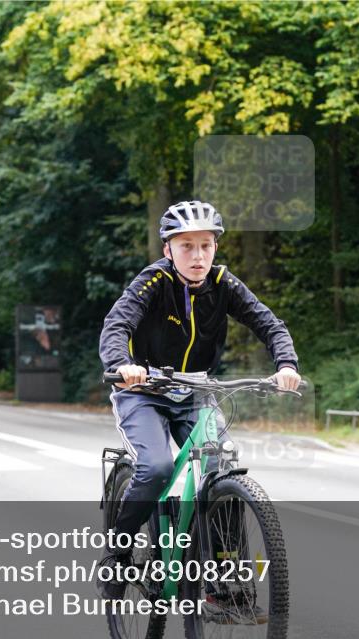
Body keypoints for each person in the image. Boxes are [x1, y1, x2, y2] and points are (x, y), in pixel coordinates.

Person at [97, 200, 301, 606]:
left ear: (215, 248)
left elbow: (268, 322)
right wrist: (124, 365)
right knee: (155, 467)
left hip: (195, 392)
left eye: (205, 246)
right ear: (168, 250)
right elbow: (117, 324)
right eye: (186, 246)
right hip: (144, 392)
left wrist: (286, 364)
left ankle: (224, 584)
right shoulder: (152, 282)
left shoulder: (224, 284)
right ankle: (117, 554)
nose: (197, 256)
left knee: (219, 465)